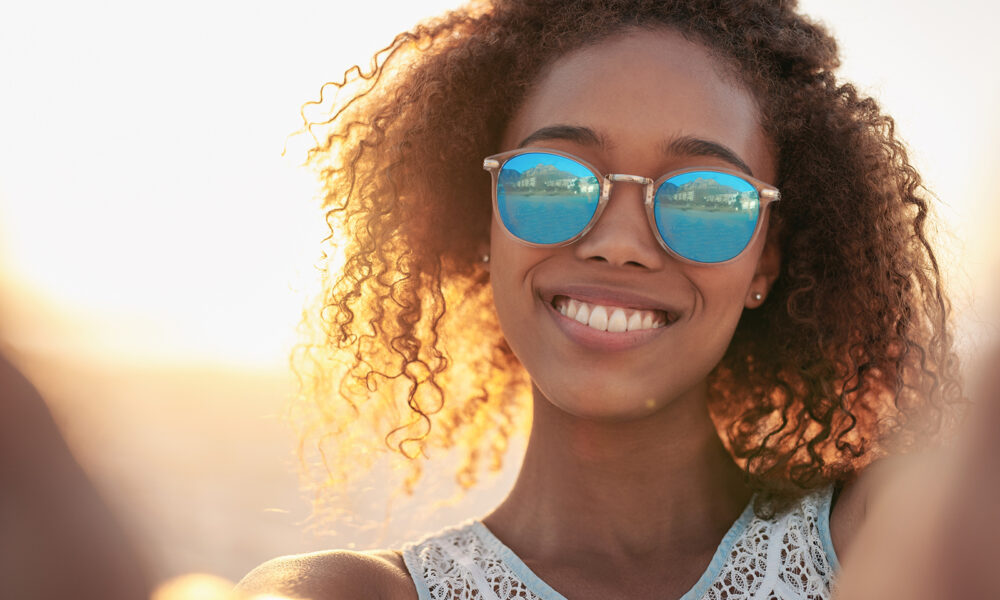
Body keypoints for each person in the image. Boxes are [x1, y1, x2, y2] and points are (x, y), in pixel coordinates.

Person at [236, 0, 988, 598]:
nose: (619, 240)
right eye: (554, 180)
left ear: (771, 256)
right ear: (482, 216)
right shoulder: (341, 595)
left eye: (704, 197)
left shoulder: (887, 541)